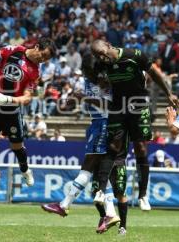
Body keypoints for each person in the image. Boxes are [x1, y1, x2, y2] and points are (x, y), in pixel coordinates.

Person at [90, 39, 179, 211]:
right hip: (118, 106)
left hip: (138, 105)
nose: (102, 57)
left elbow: (154, 73)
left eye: (102, 53)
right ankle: (101, 190)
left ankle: (143, 195)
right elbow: (100, 82)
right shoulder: (100, 65)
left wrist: (169, 93)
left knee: (141, 147)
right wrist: (103, 83)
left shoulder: (134, 55)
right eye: (97, 56)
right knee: (113, 147)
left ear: (109, 45)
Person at [41, 60, 121, 234]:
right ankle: (110, 213)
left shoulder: (107, 81)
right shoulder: (88, 80)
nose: (85, 74)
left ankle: (65, 205)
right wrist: (70, 103)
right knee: (99, 172)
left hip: (104, 124)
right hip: (96, 124)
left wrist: (84, 98)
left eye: (87, 71)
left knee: (88, 166)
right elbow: (87, 100)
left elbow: (109, 105)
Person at [0, 37, 56, 191]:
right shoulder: (11, 50)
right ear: (36, 46)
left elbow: (27, 98)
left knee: (16, 145)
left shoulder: (34, 72)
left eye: (46, 59)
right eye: (43, 55)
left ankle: (25, 170)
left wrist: (7, 99)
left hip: (11, 107)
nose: (42, 59)